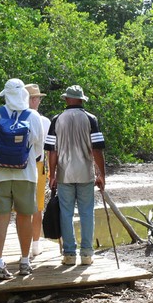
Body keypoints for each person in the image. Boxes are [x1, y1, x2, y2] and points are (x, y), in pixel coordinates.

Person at [0, 78, 44, 279]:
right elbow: (38, 150)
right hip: (26, 175)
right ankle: (25, 261)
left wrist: (2, 161)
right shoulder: (33, 116)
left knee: (1, 218)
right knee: (24, 217)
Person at [44, 85, 106, 265]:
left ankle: (69, 254)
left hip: (65, 174)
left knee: (66, 213)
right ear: (81, 99)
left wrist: (52, 175)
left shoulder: (56, 119)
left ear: (67, 99)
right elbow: (97, 149)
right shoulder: (90, 119)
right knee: (87, 213)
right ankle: (86, 254)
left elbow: (52, 151)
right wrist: (101, 174)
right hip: (85, 173)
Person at [25, 83, 51, 259]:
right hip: (39, 166)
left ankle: (24, 247)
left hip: (17, 167)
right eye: (38, 98)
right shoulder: (44, 121)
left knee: (21, 209)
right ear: (33, 100)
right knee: (37, 208)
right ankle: (35, 245)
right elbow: (49, 149)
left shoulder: (14, 118)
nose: (39, 101)